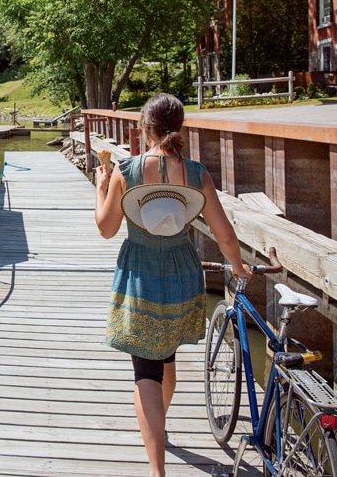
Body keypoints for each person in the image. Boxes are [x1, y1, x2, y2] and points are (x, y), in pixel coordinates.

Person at [94, 93, 250, 477]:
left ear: (144, 127)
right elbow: (225, 234)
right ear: (179, 127)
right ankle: (156, 429)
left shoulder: (126, 171)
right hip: (182, 271)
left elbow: (106, 228)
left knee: (145, 369)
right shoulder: (196, 173)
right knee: (166, 357)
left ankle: (157, 467)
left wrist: (100, 187)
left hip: (141, 271)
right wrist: (238, 267)